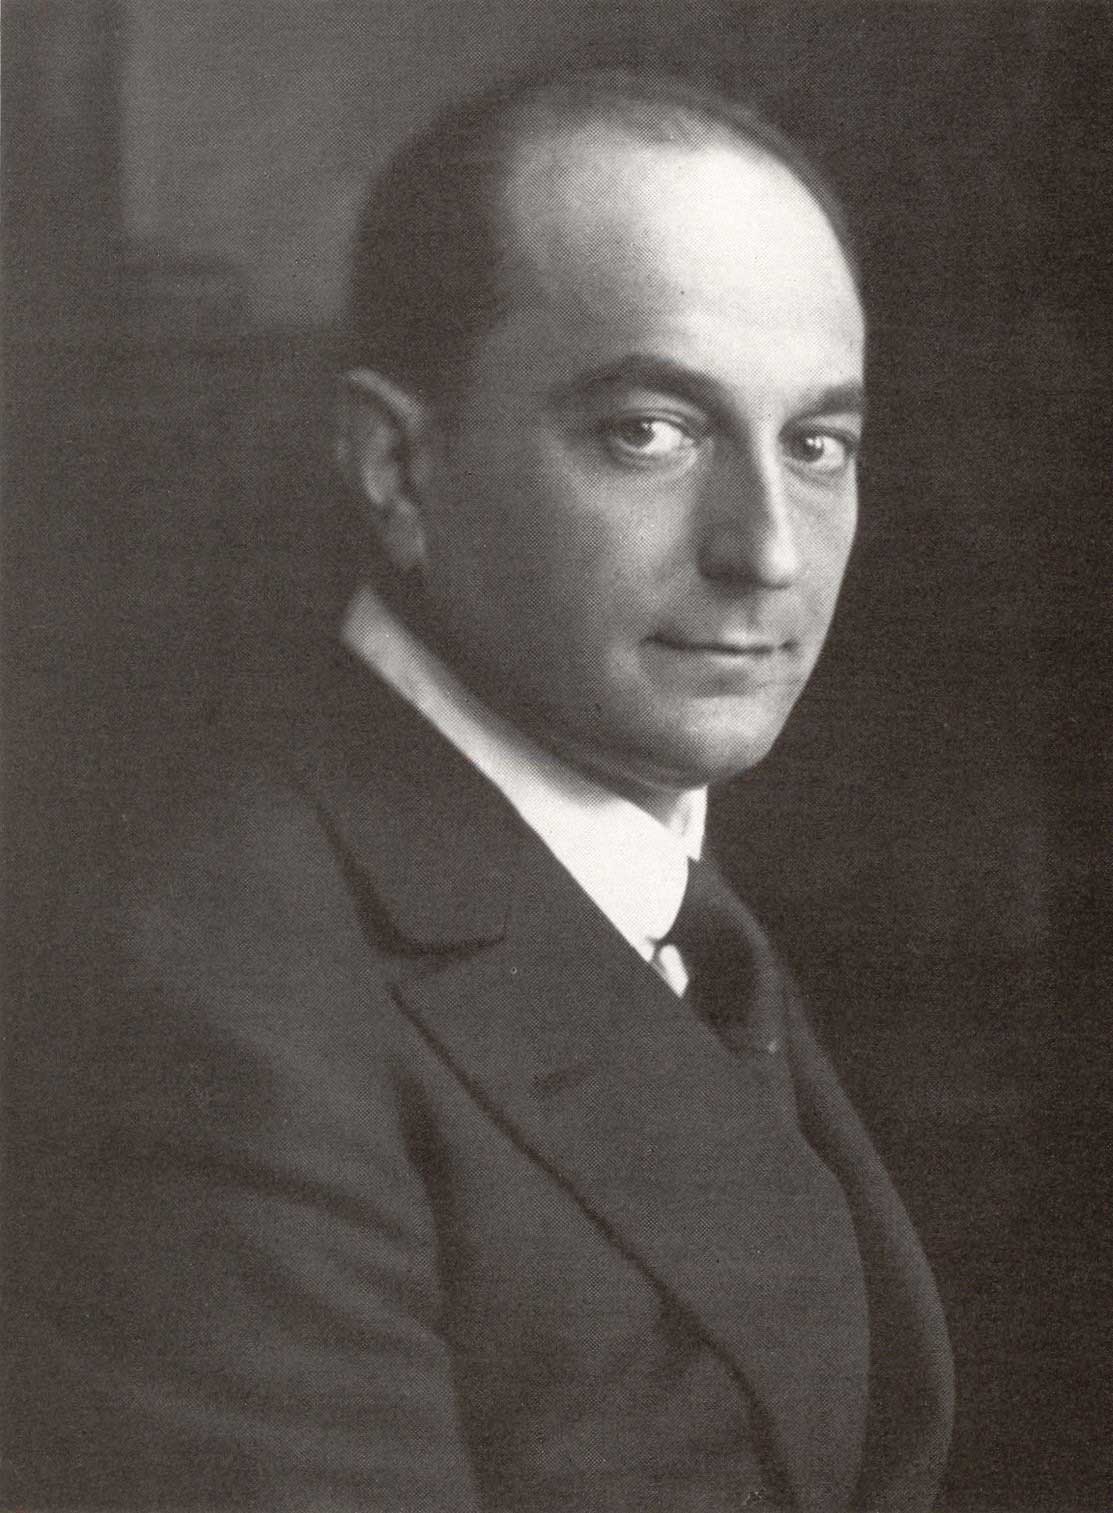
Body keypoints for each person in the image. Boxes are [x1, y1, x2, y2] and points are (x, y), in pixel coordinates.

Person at [8, 67, 953, 1513]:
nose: (766, 549)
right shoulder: (202, 998)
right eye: (651, 430)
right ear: (398, 464)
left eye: (816, 444)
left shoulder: (636, 855)